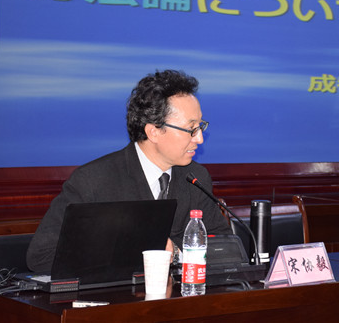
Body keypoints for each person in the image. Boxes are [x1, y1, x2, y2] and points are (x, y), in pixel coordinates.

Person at [26, 69, 232, 273]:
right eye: (191, 129)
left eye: (201, 126)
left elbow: (227, 248)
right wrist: (133, 250)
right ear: (154, 132)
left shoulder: (195, 178)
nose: (199, 138)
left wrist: (177, 253)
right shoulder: (93, 181)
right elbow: (42, 256)